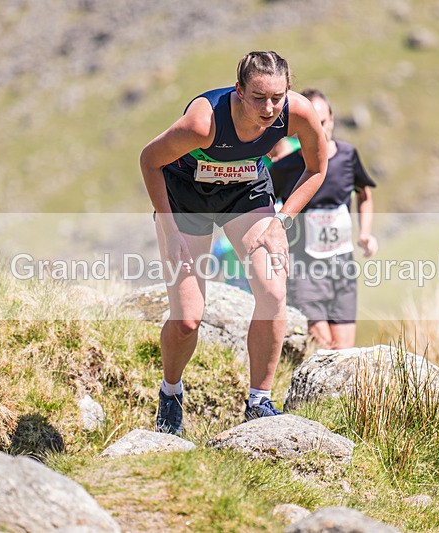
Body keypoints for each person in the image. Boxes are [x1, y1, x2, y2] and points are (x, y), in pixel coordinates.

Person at [139, 51, 328, 434]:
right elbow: (149, 160)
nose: (269, 107)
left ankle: (259, 401)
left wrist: (280, 221)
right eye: (259, 97)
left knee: (273, 292)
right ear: (239, 90)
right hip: (185, 198)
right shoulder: (203, 121)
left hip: (245, 194)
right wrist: (170, 228)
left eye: (277, 97)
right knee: (188, 319)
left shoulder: (298, 112)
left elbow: (317, 168)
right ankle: (171, 393)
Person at [270, 88, 378, 350]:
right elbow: (263, 205)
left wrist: (365, 233)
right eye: (311, 124)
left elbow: (364, 194)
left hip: (342, 268)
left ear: (332, 120)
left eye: (323, 122)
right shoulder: (285, 167)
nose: (319, 129)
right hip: (305, 271)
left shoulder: (348, 156)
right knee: (323, 347)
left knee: (343, 350)